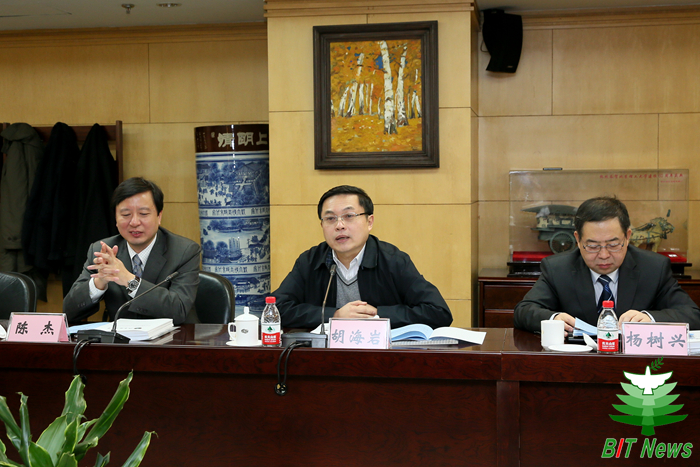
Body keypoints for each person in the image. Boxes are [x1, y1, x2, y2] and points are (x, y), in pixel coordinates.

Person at [273, 185, 452, 329]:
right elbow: (275, 310)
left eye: (349, 216)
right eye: (330, 219)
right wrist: (334, 315)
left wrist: (377, 315)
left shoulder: (393, 260)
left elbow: (438, 312)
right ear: (322, 225)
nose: (339, 225)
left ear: (369, 222)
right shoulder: (310, 261)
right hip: (327, 356)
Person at [514, 196, 700, 333]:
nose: (604, 255)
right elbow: (523, 311)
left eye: (613, 245)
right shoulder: (558, 269)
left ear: (627, 237)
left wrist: (650, 319)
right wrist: (553, 319)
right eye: (593, 246)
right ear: (577, 239)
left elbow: (692, 314)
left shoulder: (653, 268)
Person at [63, 177, 201, 325]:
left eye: (143, 214)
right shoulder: (102, 251)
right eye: (126, 215)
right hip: (121, 338)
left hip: (175, 337)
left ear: (159, 216)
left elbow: (179, 310)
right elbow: (69, 311)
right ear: (116, 218)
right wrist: (99, 282)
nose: (134, 222)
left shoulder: (184, 251)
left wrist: (129, 280)